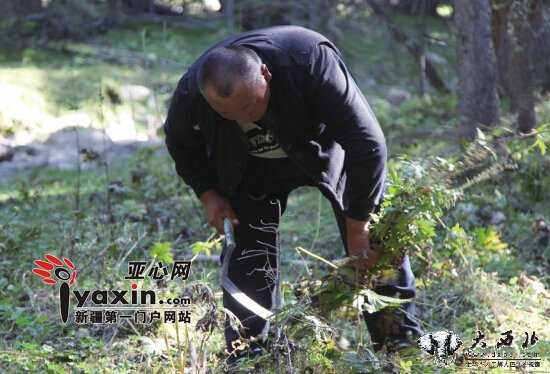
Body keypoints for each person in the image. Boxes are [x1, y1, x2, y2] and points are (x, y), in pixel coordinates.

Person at [164, 25, 423, 365]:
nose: (245, 117)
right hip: (249, 169)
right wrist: (208, 194)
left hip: (326, 153)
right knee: (247, 253)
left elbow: (369, 145)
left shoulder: (308, 60)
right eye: (229, 114)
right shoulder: (193, 93)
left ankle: (400, 345)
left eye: (250, 105)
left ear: (266, 75)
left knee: (375, 244)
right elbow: (179, 142)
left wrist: (358, 223)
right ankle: (247, 354)